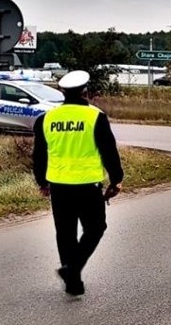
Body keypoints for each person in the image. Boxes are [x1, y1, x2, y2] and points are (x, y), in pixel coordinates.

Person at [33, 70, 123, 296]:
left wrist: (42, 181)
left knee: (65, 233)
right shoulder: (96, 117)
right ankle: (72, 270)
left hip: (58, 186)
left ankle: (72, 281)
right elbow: (109, 152)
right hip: (87, 185)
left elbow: (39, 155)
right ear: (85, 92)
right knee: (96, 228)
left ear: (62, 93)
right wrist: (116, 180)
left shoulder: (47, 118)